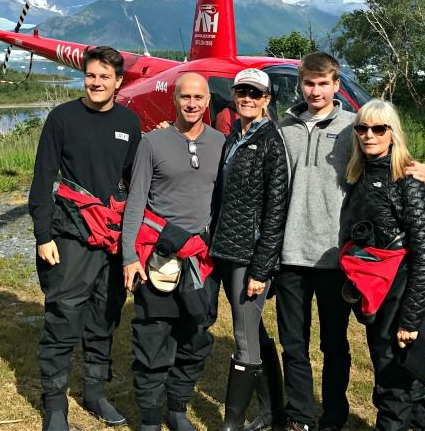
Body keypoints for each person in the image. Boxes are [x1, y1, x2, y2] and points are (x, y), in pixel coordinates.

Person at [276, 53, 425, 431]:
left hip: (339, 259)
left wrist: (422, 172)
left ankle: (332, 416)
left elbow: (392, 162)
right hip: (291, 254)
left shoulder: (354, 127)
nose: (315, 91)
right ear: (300, 84)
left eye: (323, 83)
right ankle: (299, 417)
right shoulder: (283, 129)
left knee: (335, 347)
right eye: (309, 83)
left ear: (336, 84)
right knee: (294, 346)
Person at [28, 46, 142, 431]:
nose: (96, 83)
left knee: (103, 319)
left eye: (105, 77)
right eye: (91, 76)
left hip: (110, 237)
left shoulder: (130, 121)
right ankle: (55, 404)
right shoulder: (62, 118)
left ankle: (94, 392)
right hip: (70, 234)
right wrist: (43, 236)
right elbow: (43, 180)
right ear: (85, 77)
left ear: (118, 82)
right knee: (63, 317)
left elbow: (135, 182)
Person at [122, 73, 225, 431]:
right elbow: (135, 202)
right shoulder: (152, 143)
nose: (192, 104)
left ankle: (177, 407)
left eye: (198, 97)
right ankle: (150, 417)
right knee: (152, 336)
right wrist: (129, 257)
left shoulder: (222, 143)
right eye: (185, 97)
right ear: (175, 100)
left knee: (195, 335)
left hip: (201, 258)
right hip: (158, 253)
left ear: (208, 101)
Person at [339, 99, 425, 431]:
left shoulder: (408, 182)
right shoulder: (359, 176)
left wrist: (410, 319)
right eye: (363, 128)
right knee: (405, 377)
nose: (370, 135)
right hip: (376, 290)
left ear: (392, 134)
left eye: (379, 128)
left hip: (405, 291)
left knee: (393, 382)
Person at [209, 68, 289, 431]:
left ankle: (232, 423)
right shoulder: (233, 137)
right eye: (241, 92)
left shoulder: (271, 142)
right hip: (226, 249)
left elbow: (276, 210)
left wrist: (262, 267)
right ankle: (274, 410)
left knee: (243, 337)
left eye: (255, 94)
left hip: (250, 255)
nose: (247, 98)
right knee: (254, 331)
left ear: (267, 100)